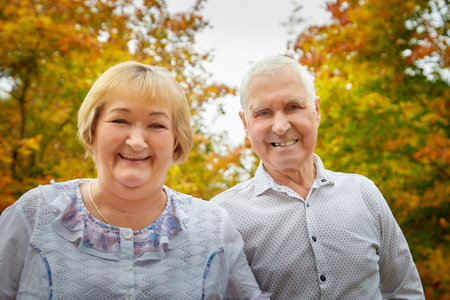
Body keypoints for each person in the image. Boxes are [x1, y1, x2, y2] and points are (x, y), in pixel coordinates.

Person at [0, 61, 270, 299]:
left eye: (156, 125)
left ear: (177, 140)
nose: (137, 142)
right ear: (92, 129)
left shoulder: (213, 229)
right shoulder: (35, 215)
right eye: (120, 120)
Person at [211, 55, 425, 299]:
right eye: (263, 112)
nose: (280, 126)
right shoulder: (222, 216)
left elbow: (404, 290)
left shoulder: (363, 192)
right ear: (245, 123)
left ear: (317, 111)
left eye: (294, 106)